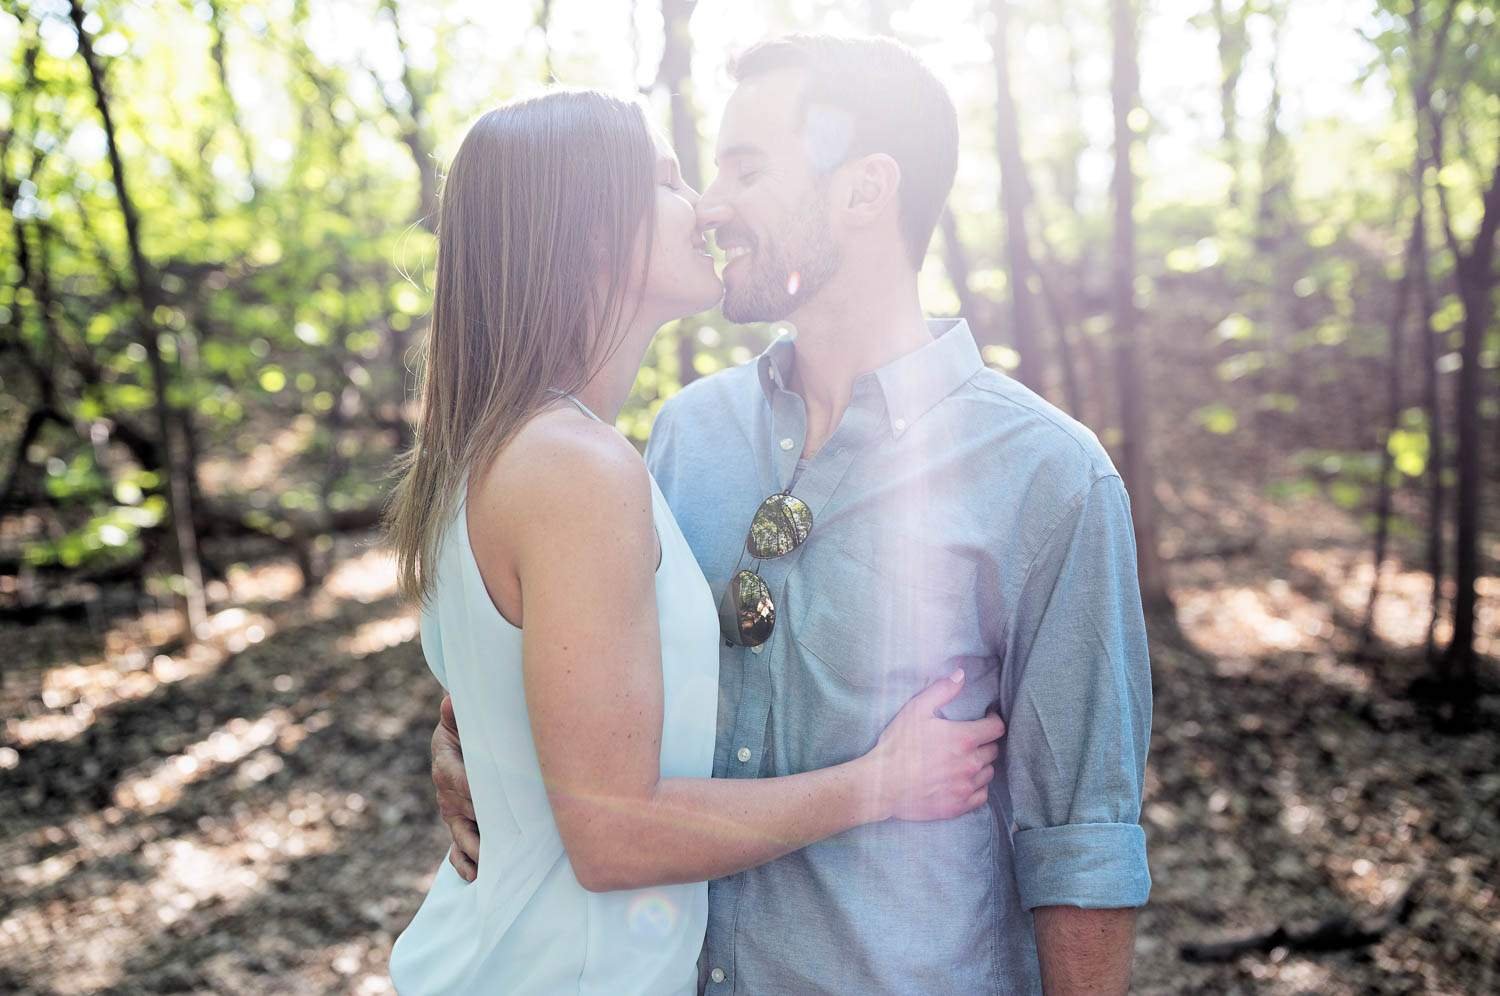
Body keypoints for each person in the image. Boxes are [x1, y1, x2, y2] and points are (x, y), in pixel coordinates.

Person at [432, 36, 1154, 994]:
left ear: (864, 192)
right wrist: (475, 740)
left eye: (747, 167)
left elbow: (1083, 841)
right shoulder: (686, 435)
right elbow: (585, 683)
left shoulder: (1049, 477)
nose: (714, 205)